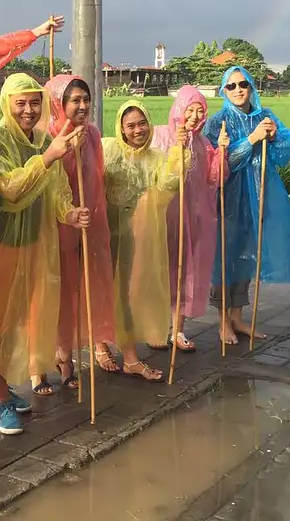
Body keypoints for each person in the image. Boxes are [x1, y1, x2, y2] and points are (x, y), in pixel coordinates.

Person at [0, 73, 90, 433]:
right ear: (6, 104)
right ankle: (0, 399)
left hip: (36, 245)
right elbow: (9, 190)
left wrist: (69, 213)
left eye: (35, 102)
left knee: (21, 321)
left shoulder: (43, 139)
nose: (28, 110)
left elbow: (55, 191)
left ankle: (0, 383)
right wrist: (50, 156)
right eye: (21, 102)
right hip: (1, 244)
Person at [203, 67, 290, 345]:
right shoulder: (218, 122)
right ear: (224, 91)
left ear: (251, 87)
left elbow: (287, 148)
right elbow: (220, 165)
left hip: (259, 195)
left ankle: (237, 316)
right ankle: (223, 321)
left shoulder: (265, 116)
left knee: (249, 254)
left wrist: (272, 138)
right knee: (225, 258)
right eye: (231, 86)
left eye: (243, 84)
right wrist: (251, 140)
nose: (238, 90)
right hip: (228, 198)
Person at [102, 100, 190, 381]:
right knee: (103, 291)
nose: (137, 130)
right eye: (131, 125)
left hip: (138, 238)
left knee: (127, 294)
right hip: (105, 235)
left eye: (142, 123)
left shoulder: (156, 158)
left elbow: (167, 186)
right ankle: (102, 344)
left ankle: (128, 356)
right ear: (121, 128)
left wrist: (179, 153)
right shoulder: (108, 150)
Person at [43, 74, 117, 383]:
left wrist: (97, 220)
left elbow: (95, 180)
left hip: (88, 222)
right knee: (58, 291)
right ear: (58, 103)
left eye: (86, 99)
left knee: (83, 287)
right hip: (56, 225)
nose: (82, 105)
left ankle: (78, 349)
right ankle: (59, 354)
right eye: (75, 100)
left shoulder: (94, 134)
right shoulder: (46, 136)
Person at [151, 85, 229, 352]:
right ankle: (157, 328)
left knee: (185, 272)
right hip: (165, 216)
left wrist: (220, 152)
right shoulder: (160, 137)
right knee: (162, 270)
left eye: (200, 111)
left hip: (193, 218)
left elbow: (214, 180)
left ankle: (178, 329)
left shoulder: (203, 143)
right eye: (190, 110)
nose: (195, 117)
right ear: (179, 110)